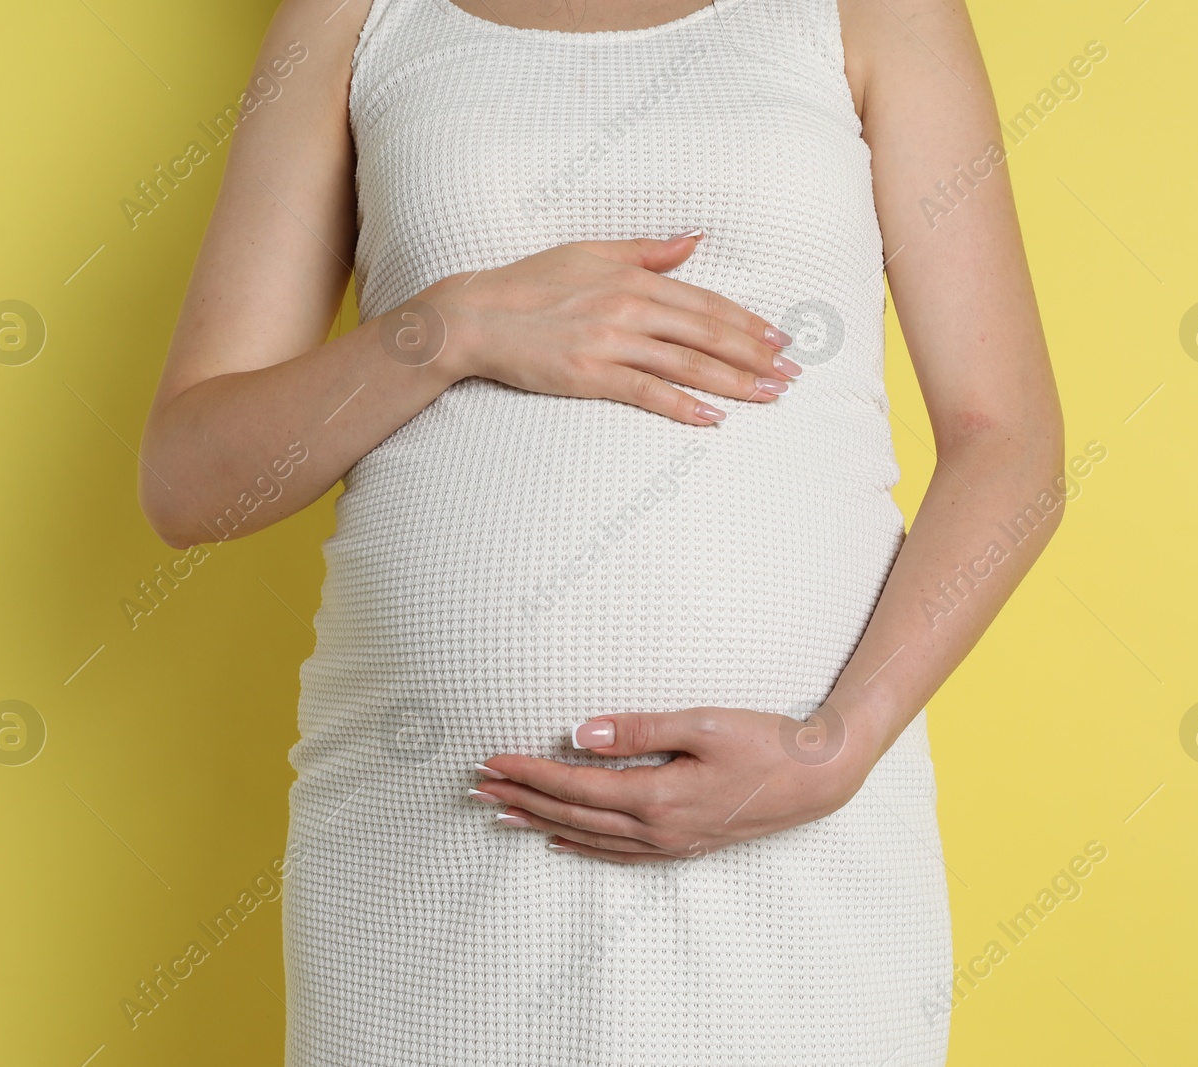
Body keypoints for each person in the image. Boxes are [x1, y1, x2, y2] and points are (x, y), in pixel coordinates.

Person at [138, 0, 1063, 1063]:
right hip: (427, 871)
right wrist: (453, 327)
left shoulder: (874, 12)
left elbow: (1009, 443)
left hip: (791, 858)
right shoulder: (355, 16)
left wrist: (835, 746)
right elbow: (191, 479)